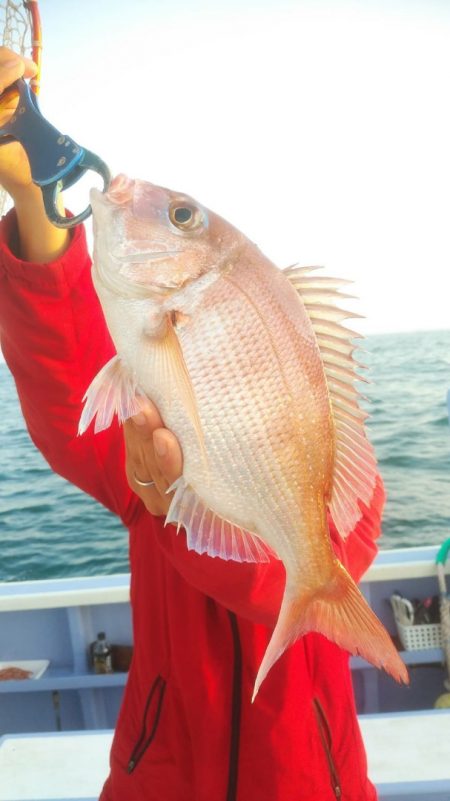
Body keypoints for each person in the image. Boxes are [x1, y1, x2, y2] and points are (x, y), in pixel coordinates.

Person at [0, 47, 386, 801]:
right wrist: (30, 191)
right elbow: (65, 387)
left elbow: (293, 581)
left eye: (181, 218)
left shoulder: (342, 483)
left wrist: (178, 510)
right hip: (161, 778)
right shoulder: (144, 425)